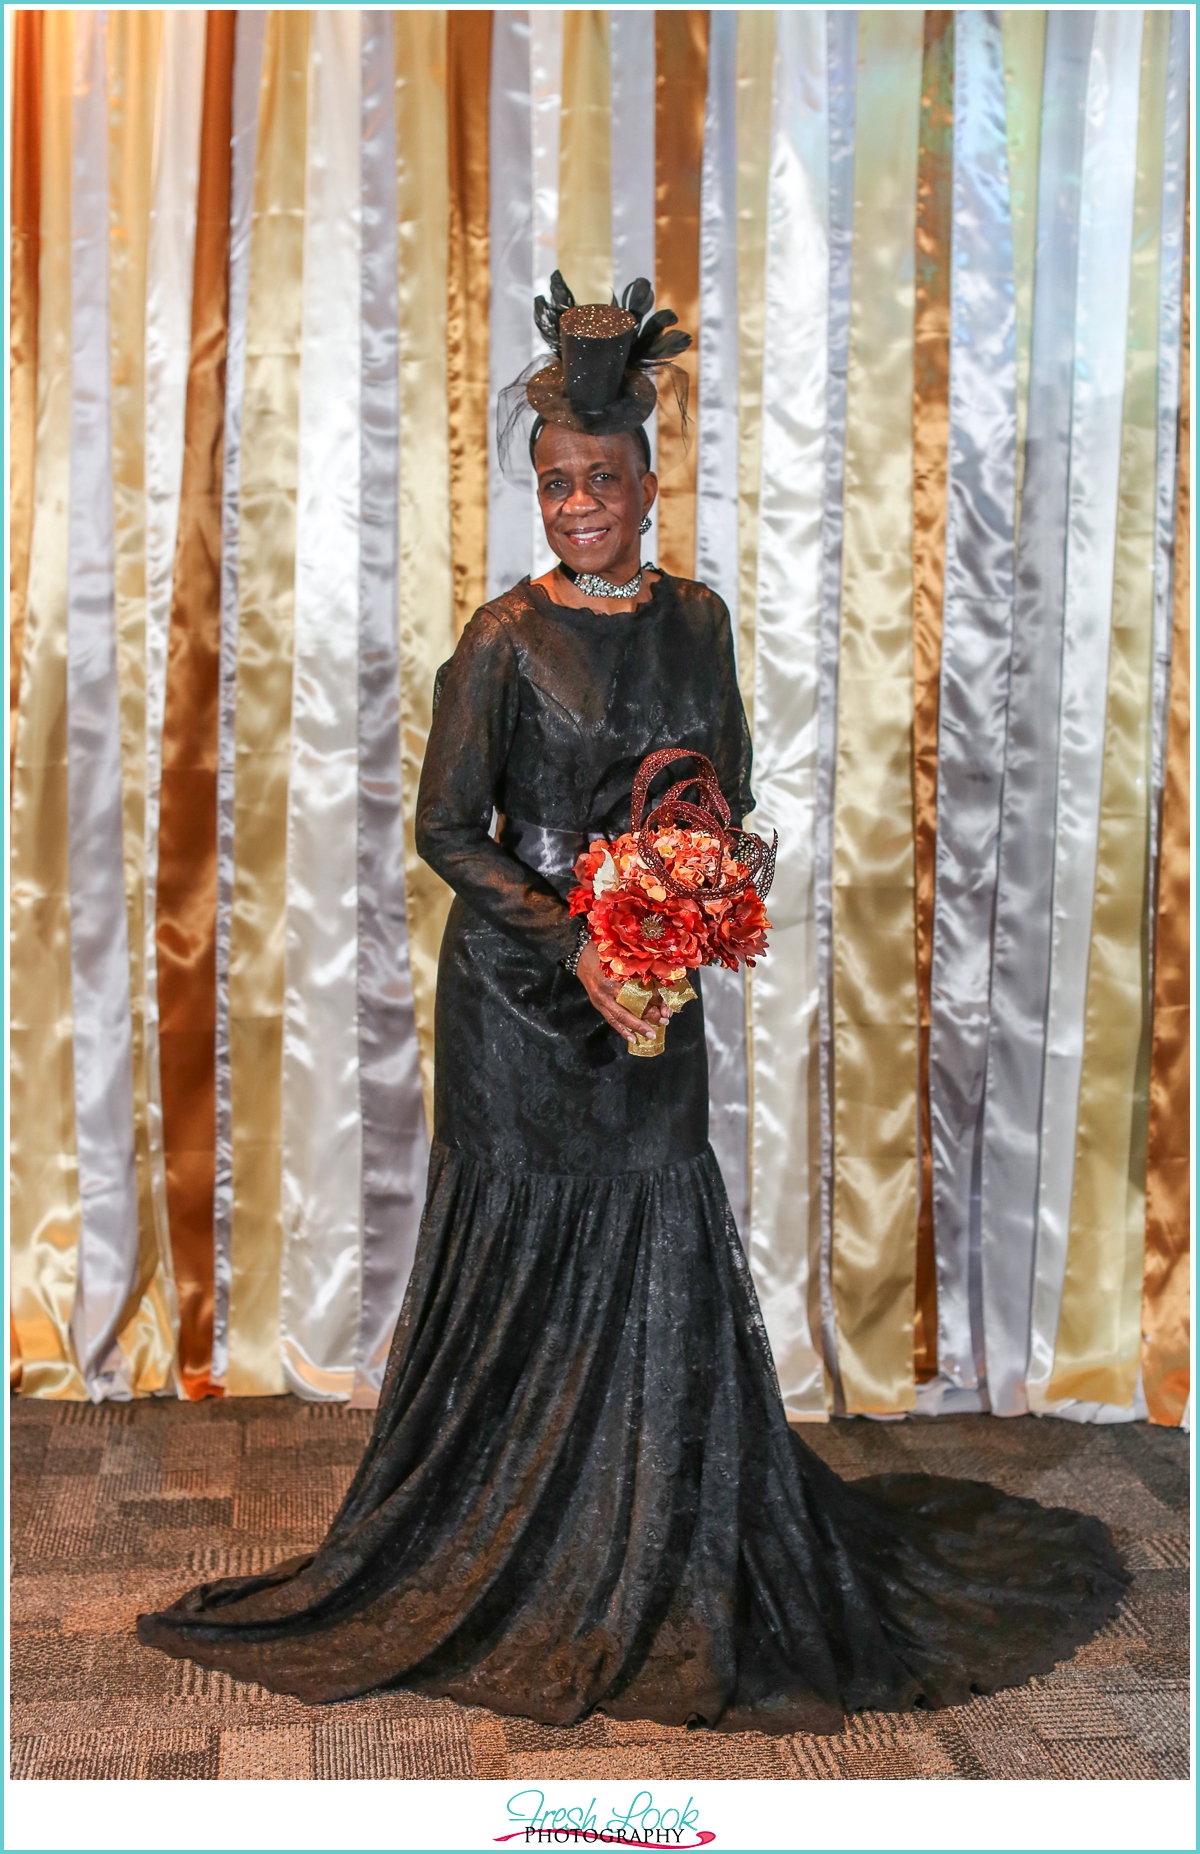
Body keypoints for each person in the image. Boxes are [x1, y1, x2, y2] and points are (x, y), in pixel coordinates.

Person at [138, 276, 1126, 1735]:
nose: (578, 505)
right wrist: (576, 937)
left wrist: (697, 891)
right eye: (555, 483)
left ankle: (656, 1536)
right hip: (527, 1012)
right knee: (535, 1262)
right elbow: (446, 829)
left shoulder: (699, 620)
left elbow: (716, 782)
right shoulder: (499, 636)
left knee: (658, 1243)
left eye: (602, 480)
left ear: (649, 484)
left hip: (652, 997)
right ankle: (523, 1545)